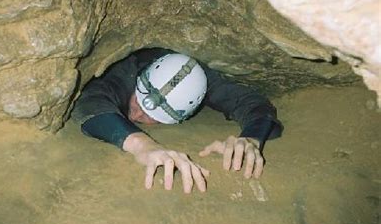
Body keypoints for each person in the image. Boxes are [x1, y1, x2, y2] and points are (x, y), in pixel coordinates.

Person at [72, 48, 283, 193]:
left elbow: (254, 104)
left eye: (151, 117)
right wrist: (142, 145)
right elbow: (90, 102)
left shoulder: (202, 83)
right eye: (137, 103)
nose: (135, 116)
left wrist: (251, 138)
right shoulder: (125, 72)